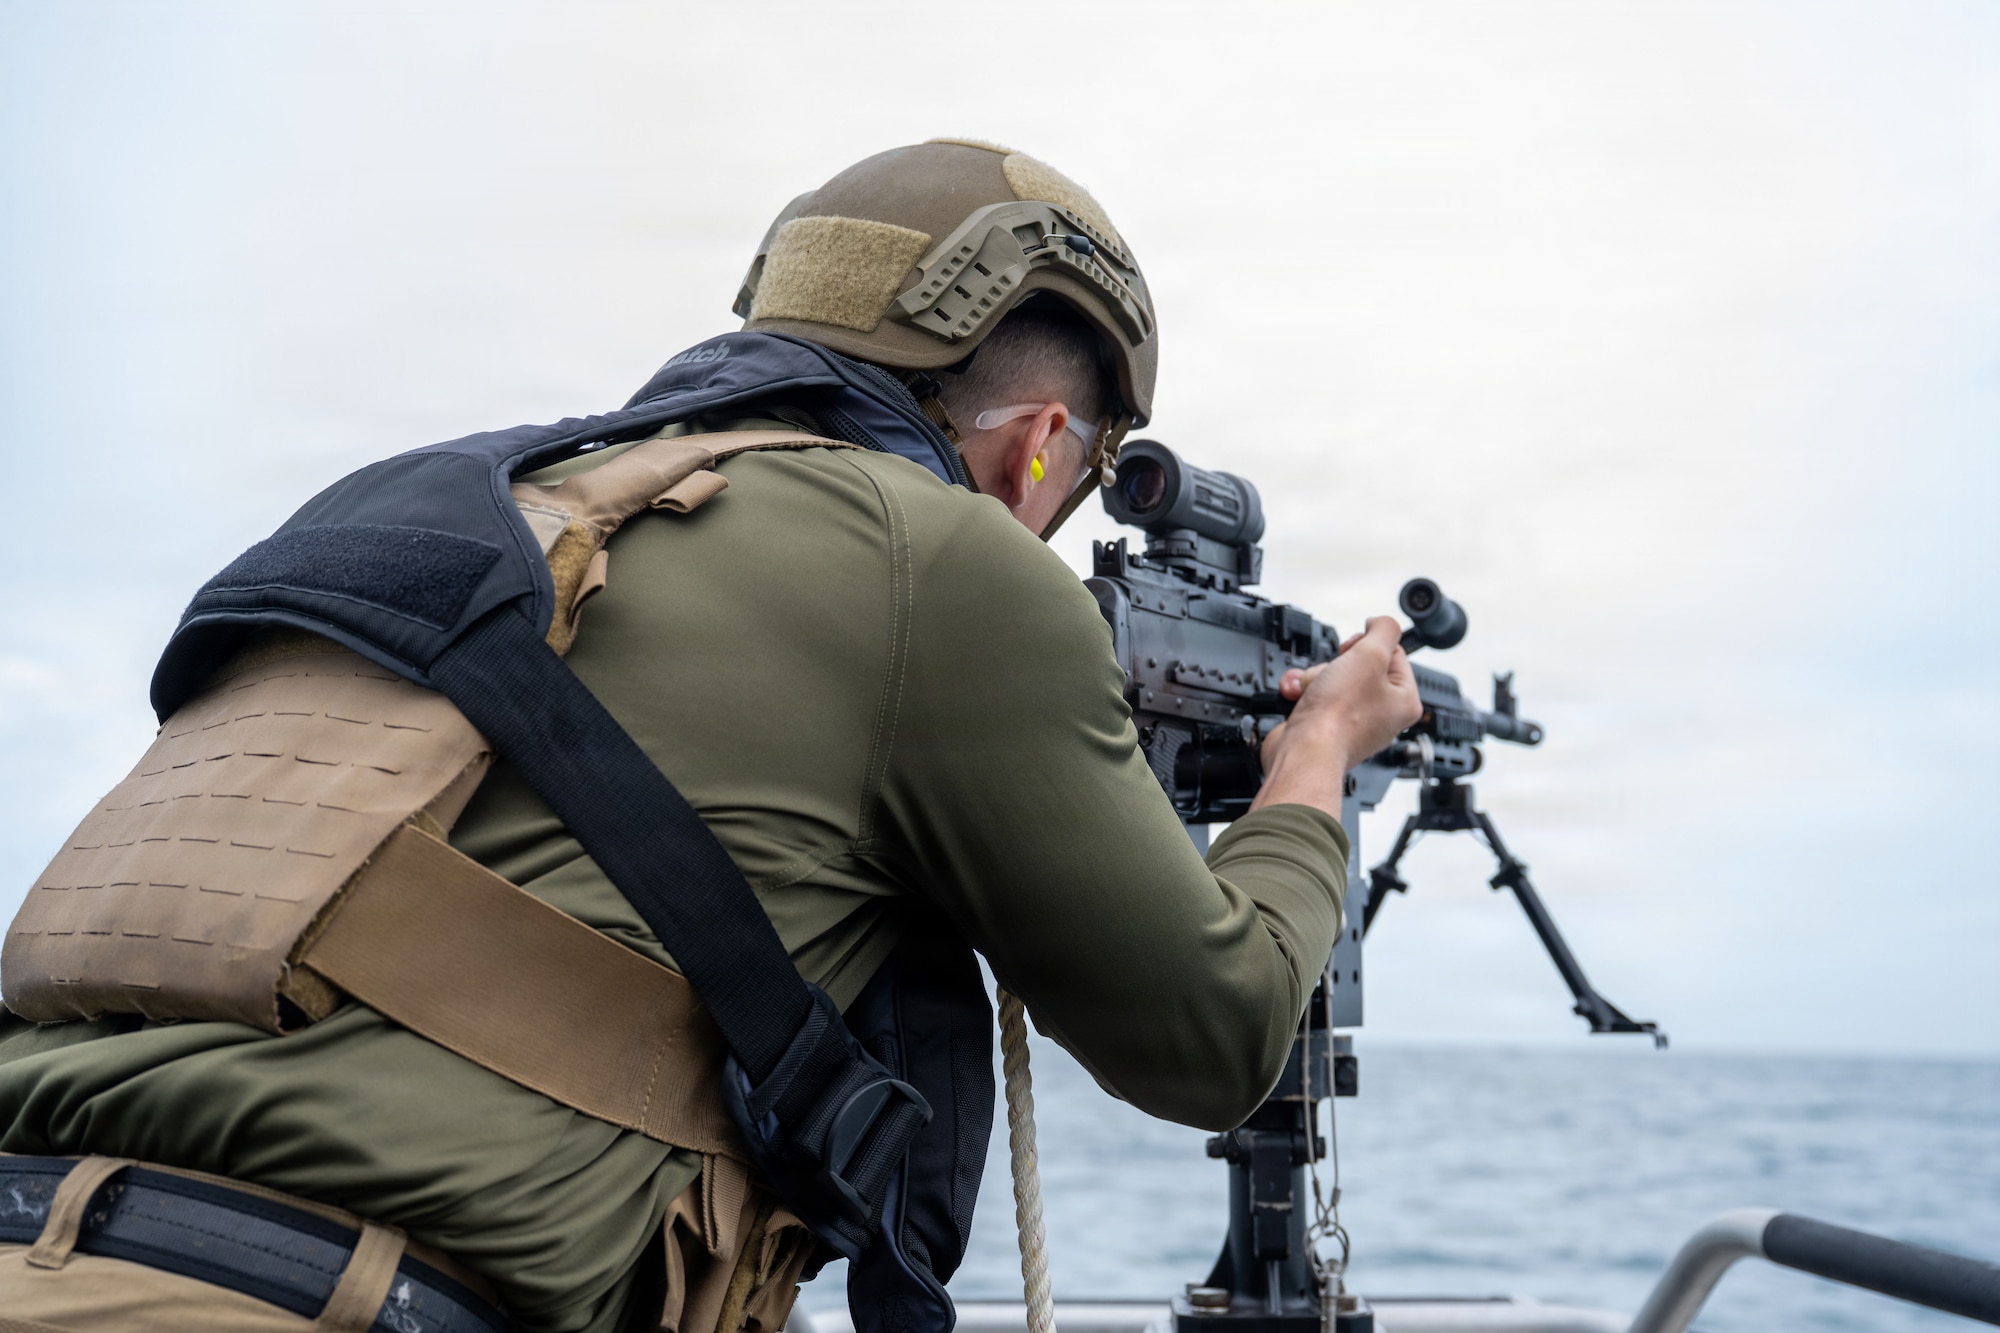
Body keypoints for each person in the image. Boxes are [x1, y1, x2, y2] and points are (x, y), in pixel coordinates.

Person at [0, 140, 1422, 1333]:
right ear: (1038, 442)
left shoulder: (429, 500)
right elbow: (1212, 1033)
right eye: (1081, 478)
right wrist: (1318, 753)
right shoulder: (935, 554)